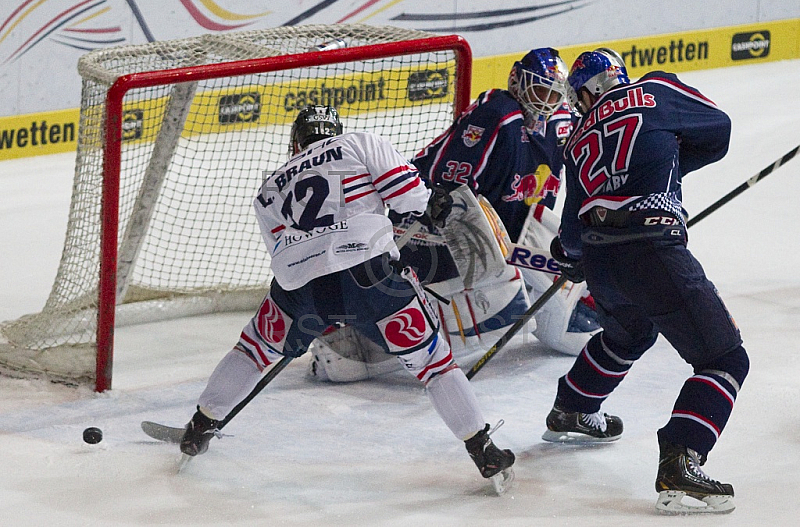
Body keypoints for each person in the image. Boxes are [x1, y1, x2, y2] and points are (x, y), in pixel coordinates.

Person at [178, 104, 515, 492]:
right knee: (433, 364)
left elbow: (282, 253)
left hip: (298, 291)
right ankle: (483, 450)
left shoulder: (269, 187)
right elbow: (410, 198)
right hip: (371, 280)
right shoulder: (359, 143)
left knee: (254, 350)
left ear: (296, 141)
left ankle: (198, 428)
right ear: (335, 130)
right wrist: (430, 204)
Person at [544, 49, 749, 514]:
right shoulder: (654, 89)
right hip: (653, 249)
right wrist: (665, 162)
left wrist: (572, 257)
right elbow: (719, 128)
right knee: (723, 357)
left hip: (601, 258)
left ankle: (572, 407)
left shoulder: (576, 138)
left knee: (629, 331)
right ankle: (682, 458)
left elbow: (571, 238)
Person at [407, 46, 599, 355]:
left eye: (553, 95)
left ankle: (586, 297)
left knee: (574, 258)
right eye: (539, 90)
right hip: (434, 226)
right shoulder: (497, 115)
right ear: (517, 81)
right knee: (498, 305)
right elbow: (448, 188)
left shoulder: (563, 120)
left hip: (512, 227)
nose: (546, 102)